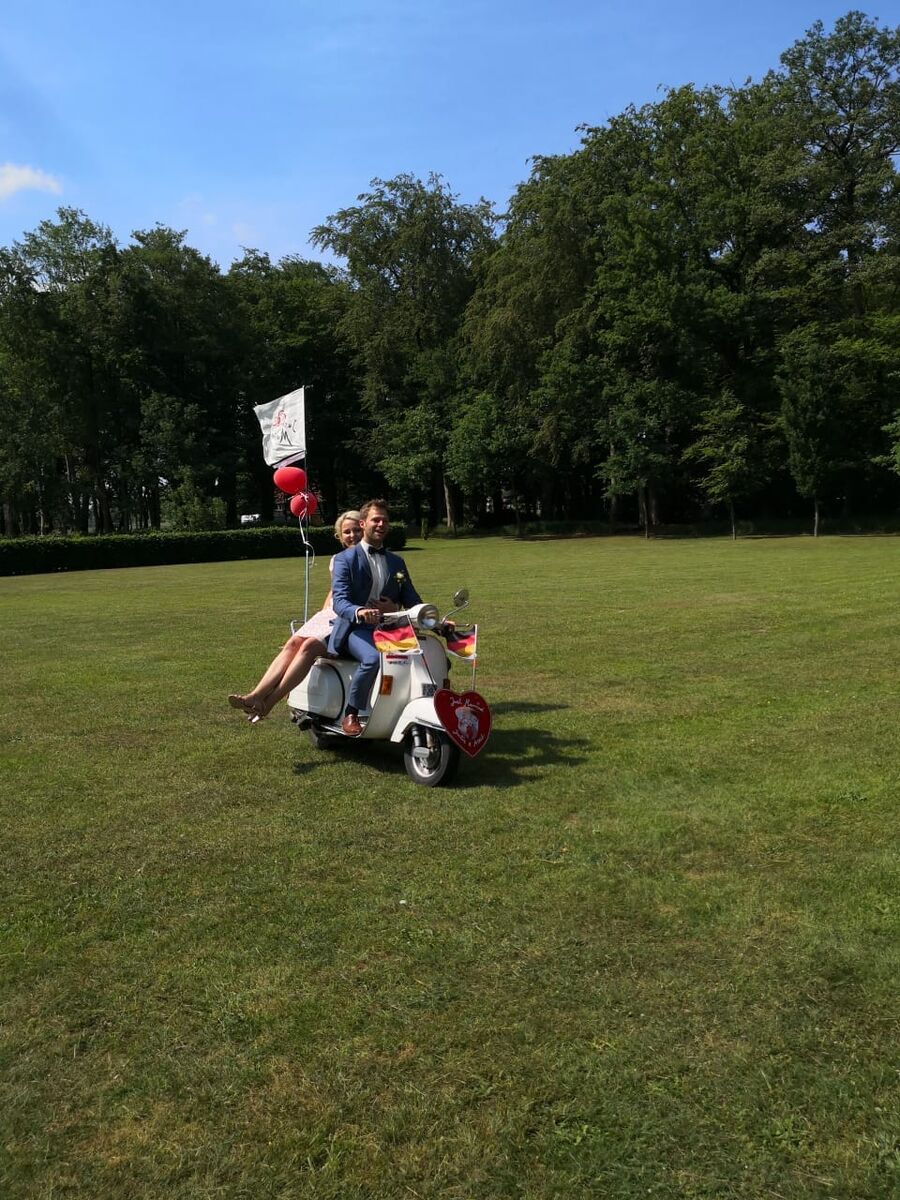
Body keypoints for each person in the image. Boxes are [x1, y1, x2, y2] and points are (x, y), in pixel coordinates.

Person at [228, 510, 363, 722]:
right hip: (332, 613)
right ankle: (256, 695)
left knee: (308, 645)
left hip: (351, 617)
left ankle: (268, 702)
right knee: (293, 643)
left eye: (356, 530)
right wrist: (321, 615)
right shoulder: (337, 560)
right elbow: (334, 591)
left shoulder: (375, 558)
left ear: (365, 529)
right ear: (340, 536)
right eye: (347, 532)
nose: (352, 535)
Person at [328, 498, 421, 736]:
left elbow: (410, 597)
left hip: (389, 627)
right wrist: (358, 611)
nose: (381, 524)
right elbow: (339, 601)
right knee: (372, 658)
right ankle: (351, 712)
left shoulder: (396, 562)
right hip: (356, 629)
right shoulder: (344, 559)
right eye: (376, 520)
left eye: (385, 521)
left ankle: (410, 704)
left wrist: (430, 616)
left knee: (424, 654)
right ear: (363, 523)